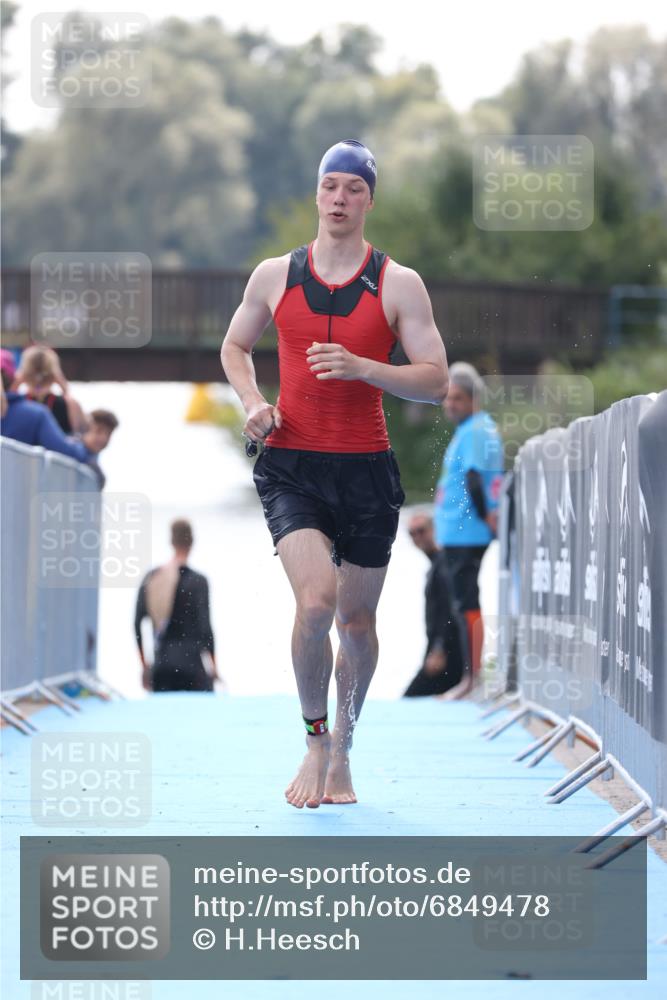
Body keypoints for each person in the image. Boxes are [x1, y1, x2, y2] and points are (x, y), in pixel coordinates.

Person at [221, 138, 449, 808]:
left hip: (367, 472)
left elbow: (435, 381)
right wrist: (254, 402)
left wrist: (365, 367)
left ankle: (346, 744)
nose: (339, 199)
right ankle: (314, 738)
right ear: (317, 194)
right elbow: (235, 346)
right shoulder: (274, 274)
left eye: (353, 188)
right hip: (291, 465)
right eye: (330, 186)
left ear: (368, 200)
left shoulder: (398, 283)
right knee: (315, 602)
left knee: (355, 622)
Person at [433, 362, 504, 699]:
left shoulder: (476, 430)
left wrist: (488, 516)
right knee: (462, 603)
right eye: (448, 398)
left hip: (468, 532)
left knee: (467, 603)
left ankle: (473, 679)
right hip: (459, 531)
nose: (450, 404)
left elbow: (476, 479)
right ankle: (471, 677)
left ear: (474, 399)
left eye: (457, 398)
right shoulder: (471, 429)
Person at [134, 518, 219, 693]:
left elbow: (136, 624)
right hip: (192, 667)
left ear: (171, 542)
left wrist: (144, 666)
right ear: (192, 542)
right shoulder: (199, 581)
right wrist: (214, 667)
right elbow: (206, 629)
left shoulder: (152, 577)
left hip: (161, 668)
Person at [402, 512, 464, 697]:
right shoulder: (438, 564)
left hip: (448, 651)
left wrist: (439, 648)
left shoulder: (445, 563)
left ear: (434, 530)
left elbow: (450, 610)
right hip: (442, 648)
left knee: (409, 700)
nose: (417, 537)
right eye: (412, 533)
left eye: (421, 531)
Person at [11, 345, 87, 434]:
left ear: (24, 375)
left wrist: (15, 383)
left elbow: (8, 399)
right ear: (54, 375)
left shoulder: (15, 404)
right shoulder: (69, 404)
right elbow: (82, 434)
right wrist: (65, 389)